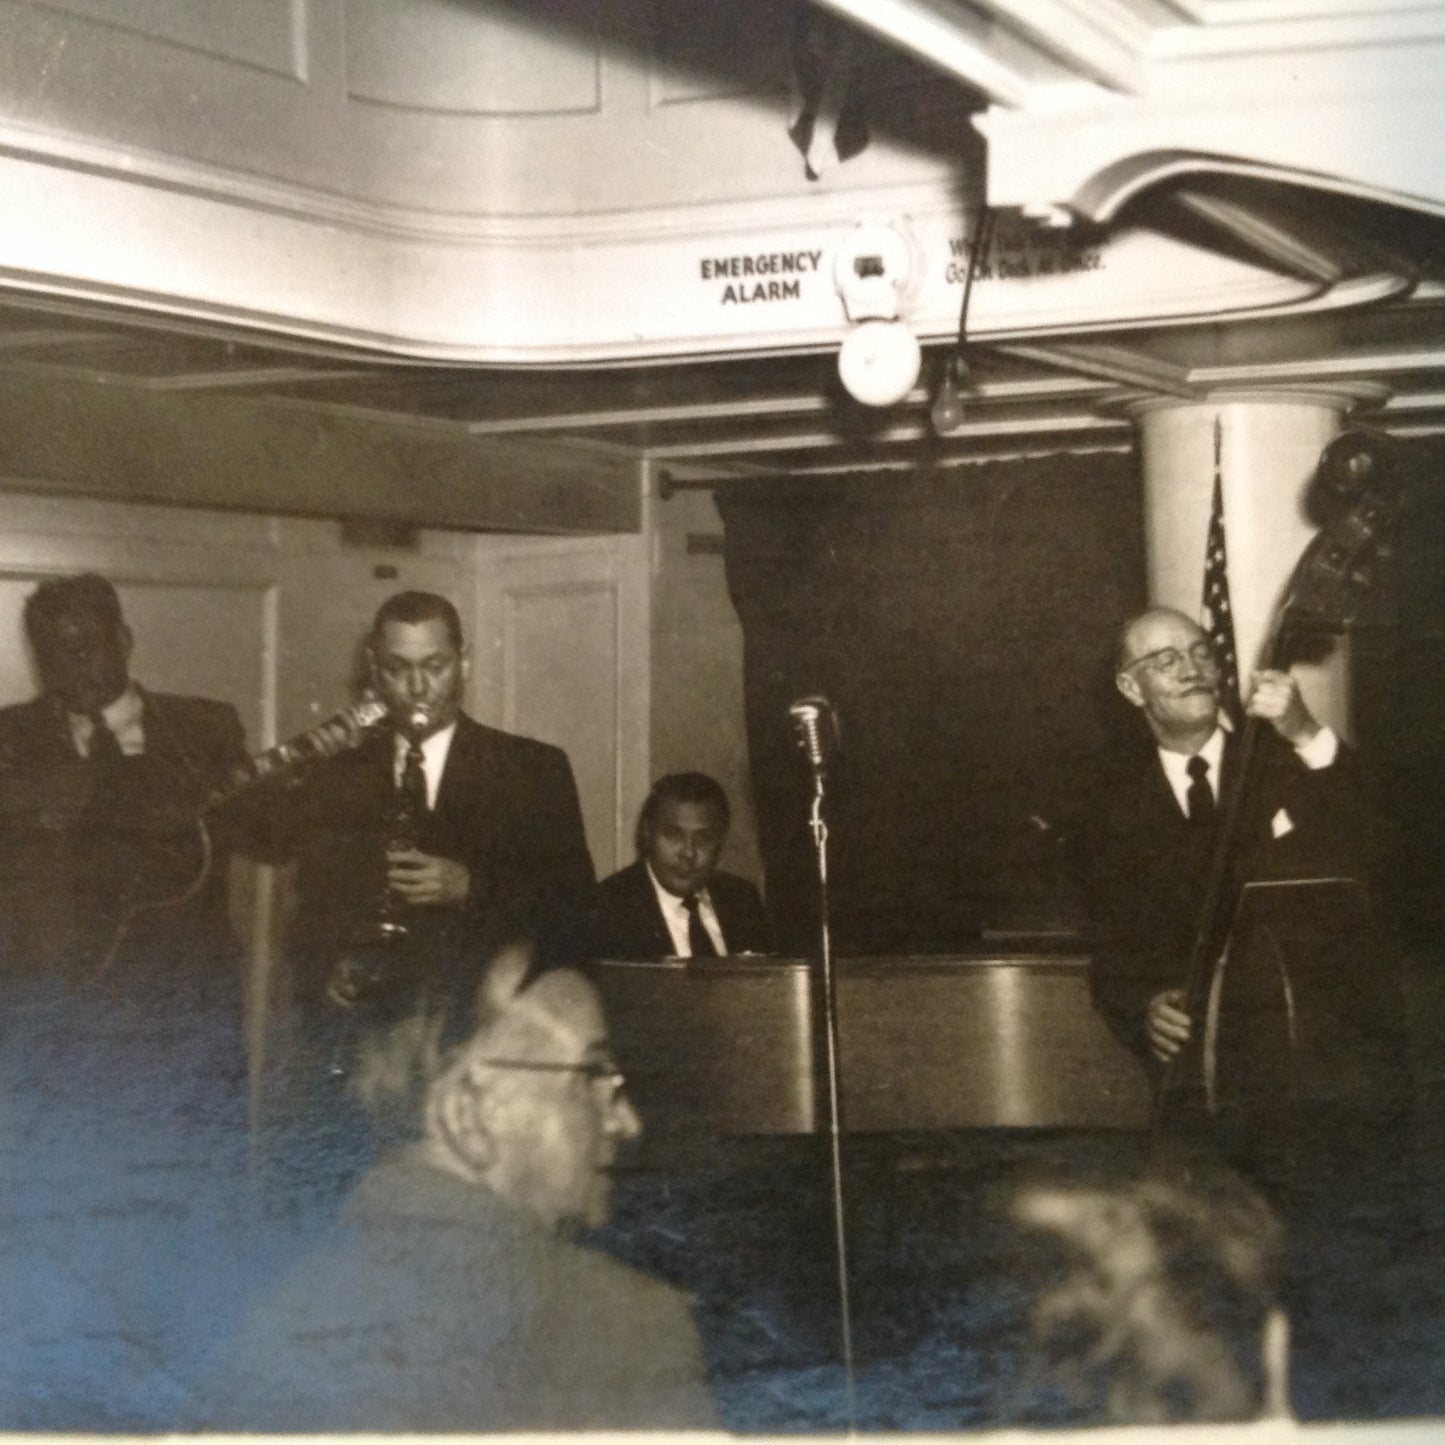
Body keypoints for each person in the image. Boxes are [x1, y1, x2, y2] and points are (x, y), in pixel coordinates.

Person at [200, 942, 721, 1432]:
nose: (626, 1121)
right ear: (467, 1113)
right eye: (594, 1074)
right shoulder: (623, 1330)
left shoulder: (266, 1321)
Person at [0, 572, 257, 1424]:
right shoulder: (8, 741)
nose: (75, 663)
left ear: (126, 637)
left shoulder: (205, 728)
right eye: (55, 649)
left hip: (184, 1039)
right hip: (60, 1048)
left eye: (90, 641)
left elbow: (267, 836)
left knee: (186, 1238)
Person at [1084, 606, 1407, 1171]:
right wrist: (1144, 1006)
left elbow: (1384, 841)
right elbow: (1113, 950)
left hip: (1305, 1085)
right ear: (1131, 688)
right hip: (1196, 1097)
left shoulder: (1283, 765)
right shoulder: (1106, 808)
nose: (1191, 669)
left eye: (1201, 652)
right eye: (1166, 660)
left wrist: (1305, 732)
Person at [1003, 1147, 1289, 1424]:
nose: (1092, 1248)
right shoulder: (1063, 1354)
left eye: (1110, 1220)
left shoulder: (1227, 1331)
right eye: (1052, 1250)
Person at [594, 770, 773, 959]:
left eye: (704, 838)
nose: (689, 852)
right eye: (673, 835)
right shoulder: (610, 908)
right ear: (647, 833)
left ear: (720, 842)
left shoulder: (741, 900)